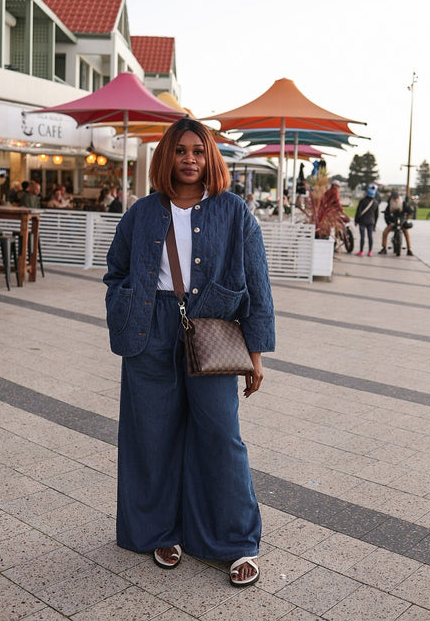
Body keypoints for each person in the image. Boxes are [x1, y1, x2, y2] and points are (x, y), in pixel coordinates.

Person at [103, 118, 275, 587]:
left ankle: (236, 541)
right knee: (151, 435)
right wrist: (125, 305)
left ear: (210, 157)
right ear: (167, 156)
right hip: (151, 328)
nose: (190, 159)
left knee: (221, 434)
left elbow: (258, 283)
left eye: (198, 151)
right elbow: (115, 270)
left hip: (213, 329)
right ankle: (160, 531)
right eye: (180, 150)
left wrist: (255, 354)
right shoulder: (142, 212)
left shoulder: (233, 210)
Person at [379, 191, 413, 256]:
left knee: (406, 233)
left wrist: (410, 213)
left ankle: (409, 249)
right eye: (394, 198)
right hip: (393, 222)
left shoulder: (403, 203)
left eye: (396, 198)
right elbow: (386, 213)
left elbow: (409, 210)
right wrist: (388, 221)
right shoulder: (390, 204)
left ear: (398, 197)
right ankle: (384, 248)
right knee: (385, 232)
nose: (395, 199)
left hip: (402, 222)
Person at [354, 184, 379, 256]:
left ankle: (361, 251)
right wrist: (375, 224)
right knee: (370, 237)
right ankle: (370, 251)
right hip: (371, 222)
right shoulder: (375, 203)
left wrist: (356, 220)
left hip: (362, 221)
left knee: (362, 237)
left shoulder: (362, 201)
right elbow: (376, 215)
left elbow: (358, 212)